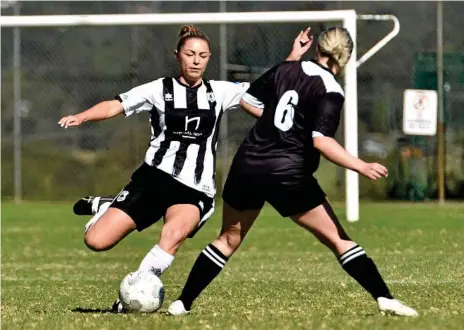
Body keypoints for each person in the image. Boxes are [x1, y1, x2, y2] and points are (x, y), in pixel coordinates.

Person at [166, 27, 419, 317]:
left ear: (317, 49)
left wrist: (280, 95)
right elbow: (320, 141)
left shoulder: (286, 68)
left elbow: (247, 101)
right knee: (337, 239)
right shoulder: (331, 90)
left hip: (247, 164)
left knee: (227, 239)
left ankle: (182, 303)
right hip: (286, 173)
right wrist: (361, 165)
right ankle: (384, 298)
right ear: (346, 57)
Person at [59, 25, 312, 312]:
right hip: (153, 180)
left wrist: (294, 55)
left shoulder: (220, 92)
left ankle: (130, 299)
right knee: (96, 241)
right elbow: (116, 105)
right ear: (178, 55)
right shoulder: (158, 89)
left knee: (173, 235)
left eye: (202, 55)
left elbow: (267, 84)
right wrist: (82, 116)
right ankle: (108, 207)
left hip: (195, 187)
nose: (196, 60)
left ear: (208, 58)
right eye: (190, 54)